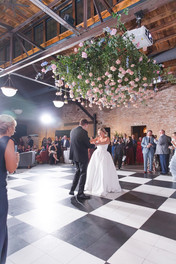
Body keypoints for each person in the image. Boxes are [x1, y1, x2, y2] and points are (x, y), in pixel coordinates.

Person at [0, 114, 19, 264]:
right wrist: (16, 159)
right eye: (14, 126)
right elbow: (11, 168)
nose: (14, 129)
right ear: (9, 127)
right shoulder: (8, 141)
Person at [85, 127, 121, 196]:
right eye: (98, 133)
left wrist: (96, 142)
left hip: (104, 155)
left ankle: (105, 186)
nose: (99, 134)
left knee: (103, 170)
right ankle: (93, 185)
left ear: (104, 132)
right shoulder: (98, 138)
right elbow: (91, 141)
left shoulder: (107, 138)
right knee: (94, 169)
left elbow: (104, 142)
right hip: (97, 155)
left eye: (100, 133)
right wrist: (92, 140)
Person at [69, 119, 94, 199]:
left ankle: (72, 190)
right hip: (82, 156)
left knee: (77, 171)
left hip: (74, 156)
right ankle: (80, 193)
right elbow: (87, 144)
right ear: (85, 124)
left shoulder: (72, 131)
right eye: (87, 126)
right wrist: (94, 145)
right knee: (83, 173)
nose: (87, 128)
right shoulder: (83, 132)